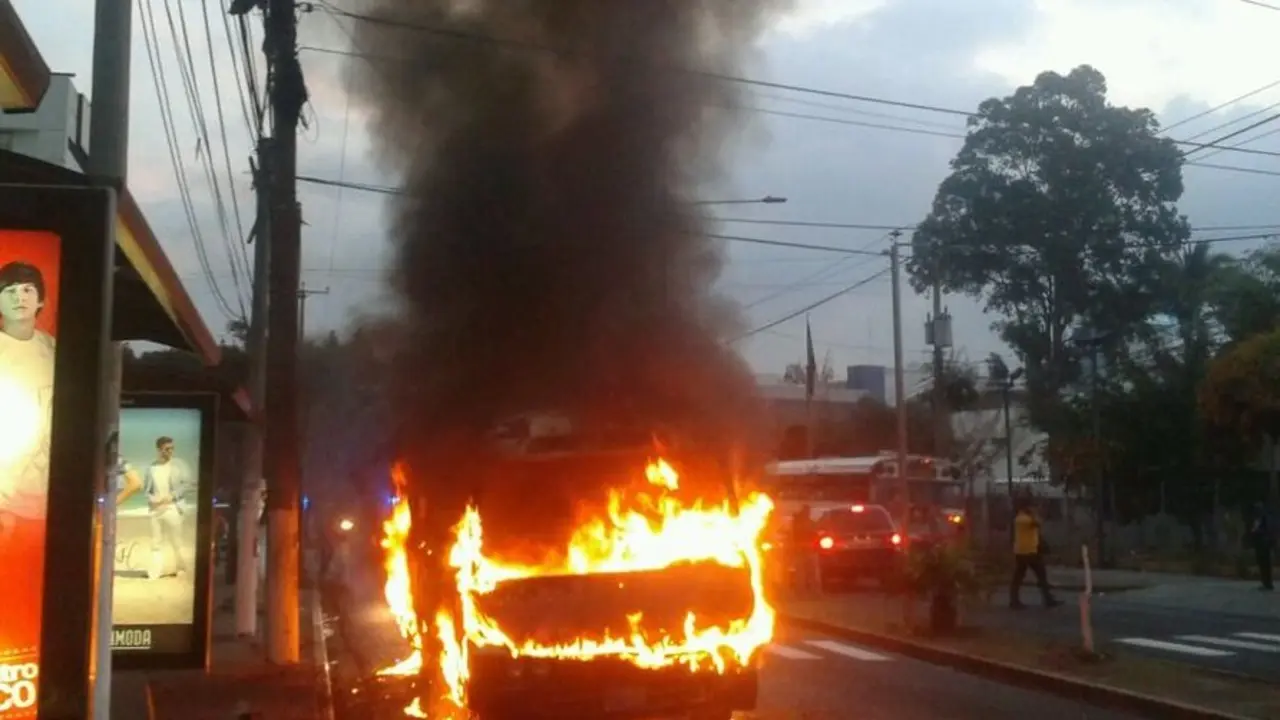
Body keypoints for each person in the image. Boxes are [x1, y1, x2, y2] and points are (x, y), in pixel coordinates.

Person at [0, 261, 57, 646]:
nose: (20, 297)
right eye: (10, 289)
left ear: (41, 300)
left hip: (44, 499)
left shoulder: (53, 349)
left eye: (27, 289)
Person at [145, 435, 191, 580]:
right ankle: (155, 572)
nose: (170, 451)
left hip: (173, 508)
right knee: (155, 542)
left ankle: (181, 568)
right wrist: (151, 499)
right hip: (156, 510)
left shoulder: (178, 465)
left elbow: (186, 484)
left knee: (176, 541)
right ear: (159, 449)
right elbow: (147, 490)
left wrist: (173, 496)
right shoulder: (151, 468)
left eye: (172, 448)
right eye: (167, 449)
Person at [1010, 493, 1061, 609]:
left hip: (1027, 551)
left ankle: (1015, 600)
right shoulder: (1022, 519)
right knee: (1037, 575)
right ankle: (1047, 599)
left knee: (1022, 576)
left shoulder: (1022, 517)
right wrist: (1036, 512)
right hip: (1027, 552)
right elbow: (1038, 522)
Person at [790, 504, 819, 594]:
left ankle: (804, 592)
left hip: (805, 550)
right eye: (808, 511)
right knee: (807, 573)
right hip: (804, 550)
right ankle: (808, 592)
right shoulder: (805, 523)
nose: (809, 513)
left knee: (804, 573)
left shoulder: (799, 523)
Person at [1249, 501, 1274, 591]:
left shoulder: (1265, 519)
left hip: (1264, 544)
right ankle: (1265, 582)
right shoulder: (1257, 520)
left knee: (1265, 564)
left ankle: (1268, 583)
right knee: (1262, 564)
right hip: (1259, 544)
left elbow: (1267, 531)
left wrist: (1256, 531)